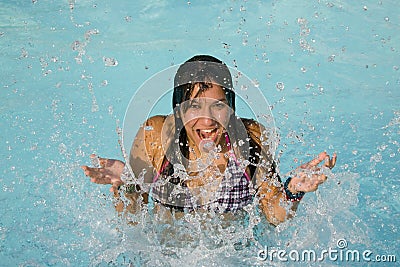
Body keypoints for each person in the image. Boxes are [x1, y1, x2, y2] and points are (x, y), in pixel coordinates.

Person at [81, 55, 337, 226]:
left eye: (218, 105)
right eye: (194, 107)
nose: (207, 121)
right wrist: (127, 186)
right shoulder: (155, 136)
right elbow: (132, 219)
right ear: (179, 110)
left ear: (231, 106)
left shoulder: (252, 139)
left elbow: (274, 214)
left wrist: (292, 190)